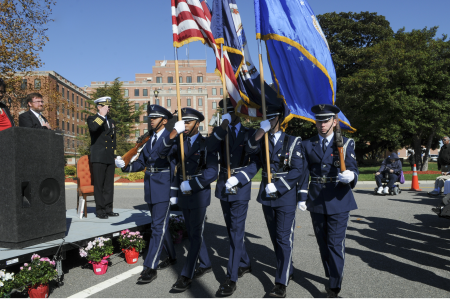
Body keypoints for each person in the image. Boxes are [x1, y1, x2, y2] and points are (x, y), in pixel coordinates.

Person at [298, 104, 359, 299]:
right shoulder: (308, 144)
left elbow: (353, 168)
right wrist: (302, 196)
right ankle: (331, 272)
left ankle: (334, 285)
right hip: (316, 199)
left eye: (326, 120)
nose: (322, 124)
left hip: (338, 198)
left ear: (334, 121)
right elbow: (304, 173)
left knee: (334, 243)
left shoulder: (346, 143)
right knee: (323, 243)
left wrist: (351, 176)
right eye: (318, 120)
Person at [245, 104, 304, 298]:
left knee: (283, 237)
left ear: (280, 119)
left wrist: (279, 186)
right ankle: (288, 269)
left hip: (284, 196)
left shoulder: (293, 141)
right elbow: (249, 149)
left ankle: (280, 283)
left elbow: (297, 170)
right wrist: (261, 130)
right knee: (275, 238)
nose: (269, 120)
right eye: (266, 118)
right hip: (266, 196)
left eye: (272, 118)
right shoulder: (262, 138)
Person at [157, 108, 218, 292]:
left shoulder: (207, 144)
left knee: (196, 234)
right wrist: (173, 132)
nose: (185, 126)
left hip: (198, 194)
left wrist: (194, 184)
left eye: (188, 123)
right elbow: (161, 153)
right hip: (183, 194)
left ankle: (186, 274)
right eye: (183, 122)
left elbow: (212, 171)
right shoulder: (179, 142)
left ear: (197, 124)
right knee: (192, 232)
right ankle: (206, 263)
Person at [206, 99, 259, 296]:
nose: (226, 112)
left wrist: (240, 178)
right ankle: (244, 262)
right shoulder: (221, 131)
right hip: (223, 185)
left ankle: (231, 277)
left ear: (238, 110)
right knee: (231, 229)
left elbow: (256, 161)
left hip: (240, 185)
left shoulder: (249, 133)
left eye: (230, 109)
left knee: (236, 231)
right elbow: (209, 147)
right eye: (224, 109)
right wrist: (222, 126)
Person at [121, 105, 177, 284]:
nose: (151, 120)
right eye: (150, 117)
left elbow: (170, 159)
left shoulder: (171, 138)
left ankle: (150, 267)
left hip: (164, 185)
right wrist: (125, 166)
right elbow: (141, 163)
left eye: (155, 117)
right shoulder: (150, 139)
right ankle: (173, 256)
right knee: (159, 225)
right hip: (151, 187)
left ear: (165, 121)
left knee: (157, 227)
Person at [87, 96, 124, 219]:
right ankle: (100, 210)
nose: (109, 109)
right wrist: (101, 116)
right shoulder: (92, 119)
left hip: (109, 157)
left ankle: (108, 209)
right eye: (107, 107)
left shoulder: (111, 121)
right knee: (99, 185)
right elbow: (93, 129)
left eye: (109, 107)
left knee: (109, 185)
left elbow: (113, 140)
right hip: (98, 157)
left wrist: (115, 155)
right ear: (99, 107)